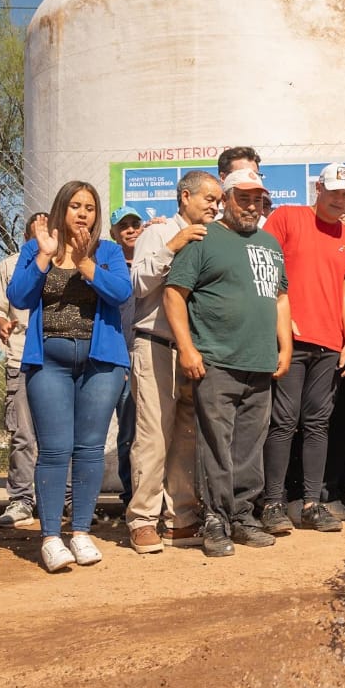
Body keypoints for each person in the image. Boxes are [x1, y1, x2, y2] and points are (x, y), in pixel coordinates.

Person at [165, 167, 289, 557]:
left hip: (260, 361)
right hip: (216, 360)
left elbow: (281, 298)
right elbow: (174, 294)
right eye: (244, 198)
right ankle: (215, 520)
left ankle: (242, 515)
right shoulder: (204, 239)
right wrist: (187, 347)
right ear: (227, 200)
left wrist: (284, 346)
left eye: (258, 199)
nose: (251, 206)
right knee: (216, 444)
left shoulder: (270, 244)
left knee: (249, 447)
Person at [8, 181, 131, 572]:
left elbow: (121, 292)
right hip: (49, 364)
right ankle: (50, 538)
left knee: (90, 448)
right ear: (61, 209)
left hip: (102, 363)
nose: (83, 213)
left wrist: (85, 264)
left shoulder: (107, 251)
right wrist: (45, 257)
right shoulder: (36, 248)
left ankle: (80, 532)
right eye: (75, 206)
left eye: (90, 208)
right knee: (56, 448)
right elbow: (19, 296)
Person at [125, 170, 223, 554]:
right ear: (185, 197)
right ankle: (143, 520)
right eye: (208, 198)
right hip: (155, 343)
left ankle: (180, 517)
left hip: (193, 350)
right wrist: (174, 244)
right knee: (154, 435)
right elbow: (138, 285)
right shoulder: (158, 231)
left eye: (217, 200)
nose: (214, 205)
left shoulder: (213, 236)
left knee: (185, 436)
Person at [260, 163, 345, 535]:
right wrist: (279, 321)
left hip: (330, 343)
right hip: (290, 340)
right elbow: (264, 270)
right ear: (318, 188)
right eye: (334, 191)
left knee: (318, 423)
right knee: (284, 422)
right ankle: (272, 503)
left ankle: (312, 504)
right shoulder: (287, 217)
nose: (340, 200)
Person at [0, 214, 43, 529]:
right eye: (36, 233)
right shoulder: (10, 266)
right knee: (23, 435)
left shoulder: (66, 261)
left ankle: (65, 500)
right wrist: (1, 323)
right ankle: (21, 500)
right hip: (21, 357)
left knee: (60, 437)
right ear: (26, 237)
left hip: (55, 360)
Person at [108, 205, 143, 508]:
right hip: (117, 355)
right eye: (124, 226)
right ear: (114, 234)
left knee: (148, 432)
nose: (131, 230)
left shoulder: (152, 263)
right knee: (127, 432)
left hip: (146, 354)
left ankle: (149, 496)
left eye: (135, 224)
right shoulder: (107, 266)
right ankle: (130, 496)